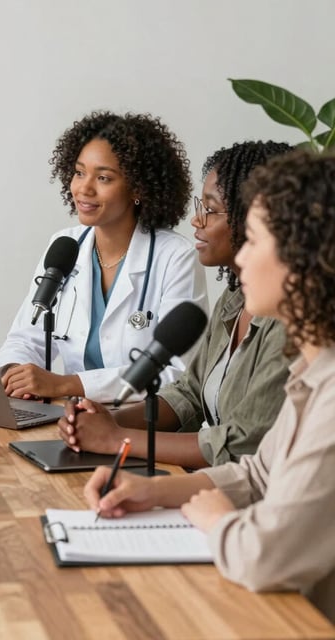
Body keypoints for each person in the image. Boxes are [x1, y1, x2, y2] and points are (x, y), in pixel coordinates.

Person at [84, 150, 335, 623]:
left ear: (300, 262)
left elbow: (267, 556)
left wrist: (215, 517)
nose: (240, 256)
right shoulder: (314, 374)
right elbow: (259, 474)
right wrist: (154, 493)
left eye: (253, 242)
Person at [58, 141, 294, 468]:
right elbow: (187, 393)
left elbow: (244, 442)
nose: (197, 221)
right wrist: (112, 421)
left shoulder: (294, 321)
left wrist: (117, 439)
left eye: (210, 210)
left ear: (260, 220)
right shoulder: (235, 298)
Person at [0, 111, 208, 403]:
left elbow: (176, 373)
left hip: (140, 426)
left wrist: (68, 384)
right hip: (70, 420)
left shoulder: (175, 257)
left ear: (138, 187)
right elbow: (24, 338)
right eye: (79, 172)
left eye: (104, 177)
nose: (84, 188)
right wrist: (17, 372)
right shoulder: (65, 245)